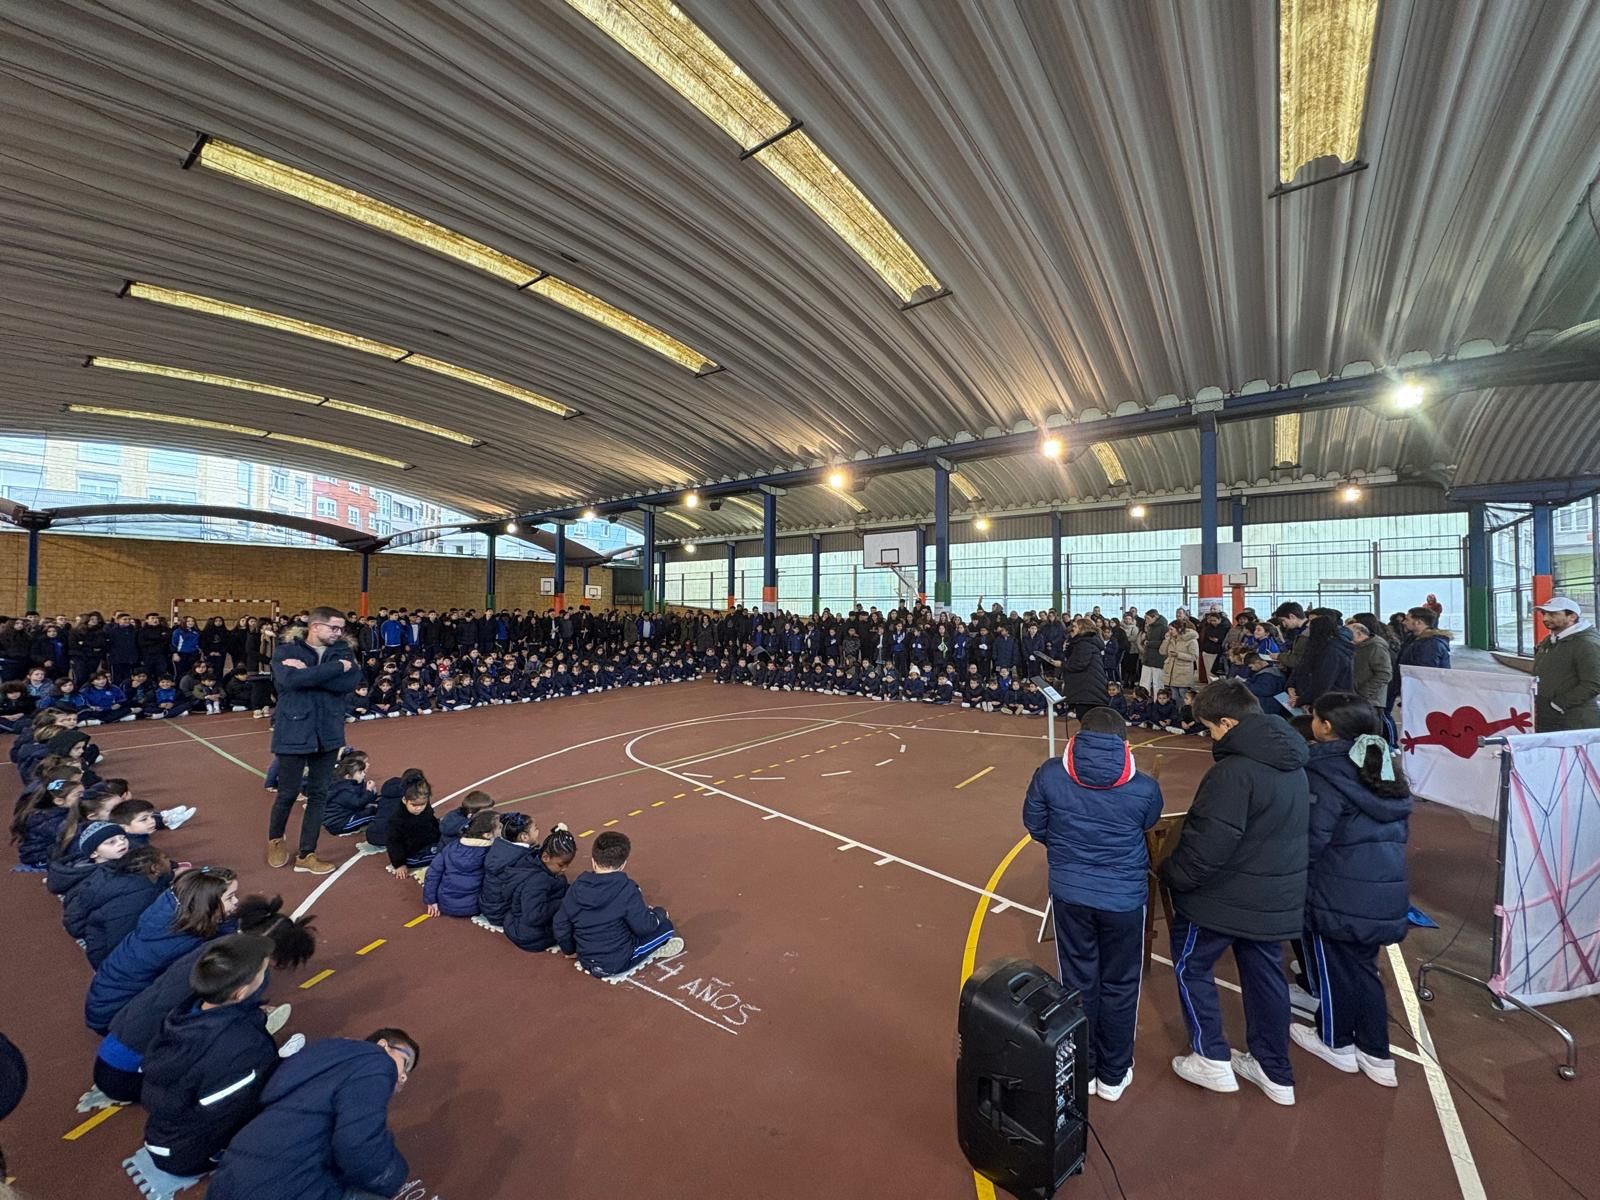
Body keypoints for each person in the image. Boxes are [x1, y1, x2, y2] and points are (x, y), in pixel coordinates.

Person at [1160, 679, 1310, 1106]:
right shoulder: (1294, 762)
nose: (1211, 737)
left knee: (1192, 966)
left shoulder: (1233, 772)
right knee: (1266, 978)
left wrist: (1174, 875)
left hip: (1221, 900)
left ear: (1228, 722)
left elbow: (1209, 843)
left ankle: (1211, 1056)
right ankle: (1275, 1070)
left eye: (1211, 728)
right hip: (1273, 896)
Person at [1022, 706, 1163, 1101]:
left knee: (1078, 982)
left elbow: (1034, 824)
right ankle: (1115, 1075)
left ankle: (1083, 1071)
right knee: (1121, 985)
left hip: (1071, 894)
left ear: (1078, 738)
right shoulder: (1145, 787)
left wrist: (1066, 851)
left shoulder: (1051, 773)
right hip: (1124, 900)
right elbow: (1148, 824)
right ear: (1125, 742)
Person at [1290, 692, 1411, 1088]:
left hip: (1336, 888)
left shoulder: (1325, 771)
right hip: (1382, 885)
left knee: (1333, 969)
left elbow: (1312, 837)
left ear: (1325, 726)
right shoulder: (1384, 767)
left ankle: (1336, 1042)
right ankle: (1377, 1053)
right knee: (1362, 969)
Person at [204, 1029, 417, 1200]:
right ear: (382, 1046)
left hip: (231, 1177)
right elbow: (359, 1147)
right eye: (405, 1062)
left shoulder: (319, 1056)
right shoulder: (376, 1062)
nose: (405, 1077)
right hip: (280, 1187)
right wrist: (395, 1175)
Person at [138, 934, 283, 1178]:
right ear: (239, 993)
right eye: (261, 972)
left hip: (164, 1135)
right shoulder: (242, 1045)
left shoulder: (183, 1014)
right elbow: (235, 1108)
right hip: (187, 1154)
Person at [85, 867, 240, 1034]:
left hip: (104, 1001)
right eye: (230, 897)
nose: (237, 901)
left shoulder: (172, 906)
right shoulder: (179, 944)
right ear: (207, 905)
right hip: (114, 1017)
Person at [266, 606, 360, 876]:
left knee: (318, 795)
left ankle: (307, 854)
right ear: (315, 626)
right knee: (286, 793)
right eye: (334, 628)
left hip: (328, 733)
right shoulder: (287, 651)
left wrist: (308, 675)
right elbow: (288, 681)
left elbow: (348, 683)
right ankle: (275, 839)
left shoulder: (343, 652)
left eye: (341, 628)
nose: (339, 633)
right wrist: (334, 669)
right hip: (293, 730)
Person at [555, 831, 684, 978]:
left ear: (593, 860)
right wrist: (660, 914)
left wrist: (569, 950)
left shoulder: (576, 887)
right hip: (615, 963)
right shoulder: (627, 889)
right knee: (666, 927)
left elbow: (560, 924)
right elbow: (644, 927)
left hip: (585, 958)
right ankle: (652, 950)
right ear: (623, 865)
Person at [1531, 597, 1600, 731]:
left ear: (1572, 616)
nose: (1545, 618)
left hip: (1574, 719)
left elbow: (1594, 683)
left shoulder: (1587, 644)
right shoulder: (1551, 640)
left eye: (1553, 614)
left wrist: (1558, 704)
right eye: (1543, 614)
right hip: (1549, 715)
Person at [504, 828, 578, 952]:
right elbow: (534, 916)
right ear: (545, 857)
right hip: (529, 936)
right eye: (561, 865)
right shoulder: (538, 881)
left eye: (567, 865)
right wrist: (563, 902)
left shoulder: (541, 866)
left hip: (520, 923)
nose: (565, 869)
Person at [423, 810, 497, 918]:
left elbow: (432, 873)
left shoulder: (451, 847)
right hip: (473, 906)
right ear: (487, 834)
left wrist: (431, 900)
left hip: (445, 903)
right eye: (499, 828)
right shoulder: (491, 853)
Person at [1388, 606, 1452, 711]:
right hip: (1412, 692)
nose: (1404, 622)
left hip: (1423, 696)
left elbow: (1425, 673)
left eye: (1407, 619)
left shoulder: (1430, 644)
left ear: (1418, 622)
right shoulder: (1413, 639)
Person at [1139, 609, 1168, 694]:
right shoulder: (1150, 627)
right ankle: (1144, 701)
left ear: (1155, 617)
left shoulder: (1164, 628)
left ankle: (1158, 701)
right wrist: (1144, 641)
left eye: (1147, 618)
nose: (1146, 620)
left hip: (1158, 659)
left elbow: (1165, 642)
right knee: (1144, 682)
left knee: (1158, 683)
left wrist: (1149, 643)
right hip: (1147, 658)